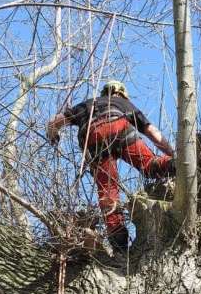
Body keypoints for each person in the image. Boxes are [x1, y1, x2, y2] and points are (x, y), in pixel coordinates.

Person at [46, 80, 175, 251]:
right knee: (150, 165)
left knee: (108, 193)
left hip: (93, 136)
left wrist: (53, 135)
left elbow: (54, 122)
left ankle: (119, 240)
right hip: (119, 126)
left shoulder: (86, 105)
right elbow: (152, 132)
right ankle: (176, 164)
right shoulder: (124, 103)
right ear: (121, 93)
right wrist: (172, 154)